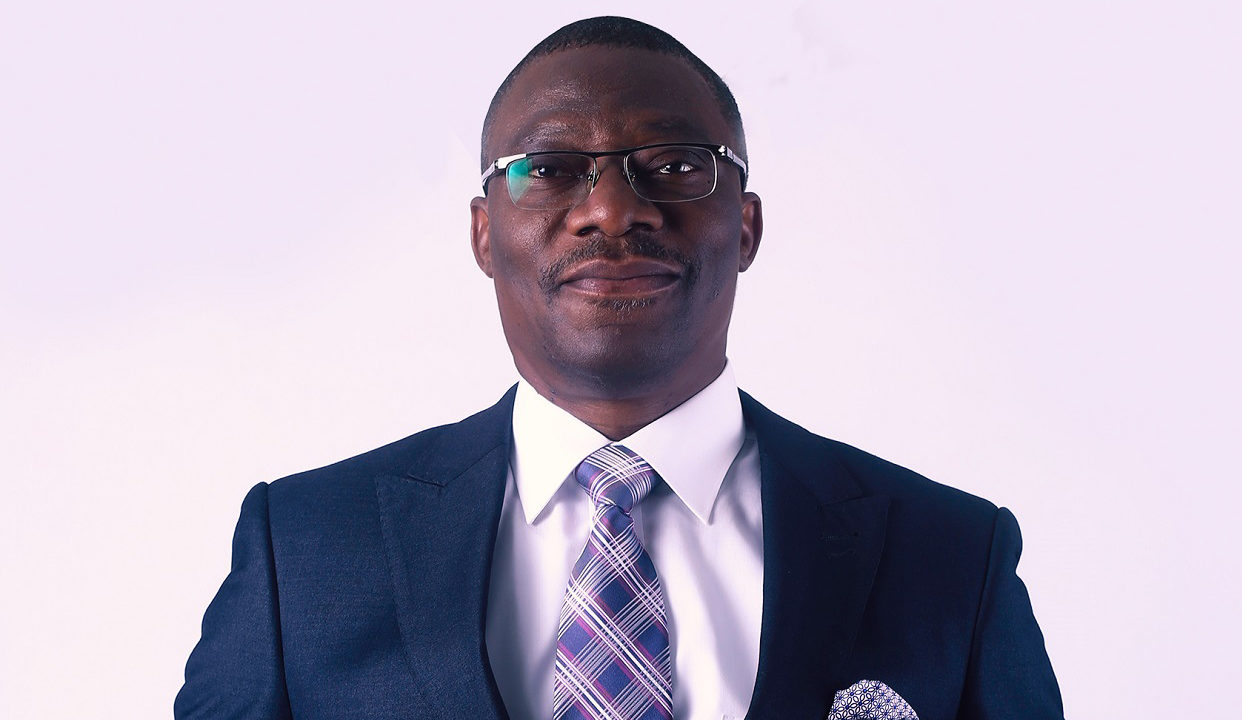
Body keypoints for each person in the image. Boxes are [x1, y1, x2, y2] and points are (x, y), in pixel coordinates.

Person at [175, 16, 1064, 720]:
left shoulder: (951, 555)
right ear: (483, 234)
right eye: (551, 168)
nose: (610, 209)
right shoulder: (305, 552)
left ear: (746, 226)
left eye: (674, 164)